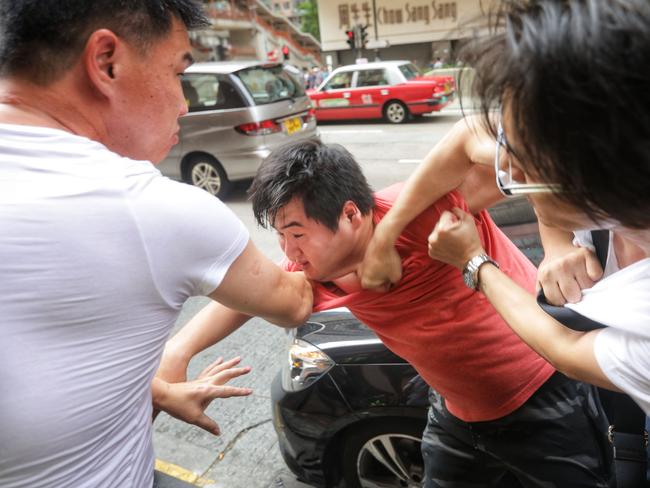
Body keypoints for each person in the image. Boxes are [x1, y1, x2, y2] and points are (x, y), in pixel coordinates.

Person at [160, 138, 614, 487]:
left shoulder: (424, 212)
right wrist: (180, 349)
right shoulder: (316, 270)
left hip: (545, 399)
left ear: (351, 215)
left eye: (296, 233)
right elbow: (253, 295)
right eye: (280, 236)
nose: (289, 252)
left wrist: (557, 245)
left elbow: (534, 158)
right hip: (457, 414)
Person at [0, 2, 312, 487]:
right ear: (107, 62)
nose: (184, 103)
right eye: (176, 71)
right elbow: (292, 301)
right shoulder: (149, 208)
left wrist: (154, 390)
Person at [362, 0, 650, 415]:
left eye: (516, 151)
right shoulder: (620, 161)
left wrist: (473, 260)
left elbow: (566, 350)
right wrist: (384, 239)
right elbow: (466, 136)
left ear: (591, 168)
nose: (503, 165)